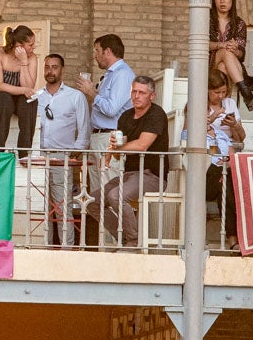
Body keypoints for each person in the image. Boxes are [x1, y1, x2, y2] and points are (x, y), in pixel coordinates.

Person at [83, 76, 168, 248]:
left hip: (152, 175)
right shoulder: (126, 116)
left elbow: (142, 145)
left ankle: (133, 241)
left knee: (116, 196)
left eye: (142, 93)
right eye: (134, 91)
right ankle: (125, 237)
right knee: (91, 201)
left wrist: (119, 148)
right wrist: (113, 150)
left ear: (152, 95)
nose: (136, 96)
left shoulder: (157, 114)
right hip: (130, 174)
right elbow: (119, 154)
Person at [182, 68, 245, 247]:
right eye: (216, 92)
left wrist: (234, 126)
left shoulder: (230, 105)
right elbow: (187, 135)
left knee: (228, 184)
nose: (221, 96)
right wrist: (212, 118)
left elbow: (241, 138)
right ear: (206, 90)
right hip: (204, 167)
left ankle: (234, 240)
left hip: (225, 164)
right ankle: (235, 239)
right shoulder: (195, 105)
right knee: (226, 182)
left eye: (224, 92)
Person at [35, 53, 90, 248]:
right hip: (39, 157)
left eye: (54, 67)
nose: (50, 71)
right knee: (40, 206)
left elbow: (84, 128)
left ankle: (66, 250)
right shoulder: (36, 96)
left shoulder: (75, 96)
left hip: (62, 157)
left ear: (62, 70)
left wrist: (74, 152)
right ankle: (43, 247)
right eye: (47, 67)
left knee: (62, 207)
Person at [73, 34, 134, 190]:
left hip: (110, 138)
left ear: (107, 51)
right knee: (96, 191)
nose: (95, 56)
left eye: (97, 50)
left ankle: (112, 215)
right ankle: (100, 216)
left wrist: (91, 93)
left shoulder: (123, 74)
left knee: (108, 187)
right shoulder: (110, 75)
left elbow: (111, 109)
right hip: (99, 137)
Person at [0, 25, 39, 157]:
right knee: (4, 99)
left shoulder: (31, 58)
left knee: (30, 102)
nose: (33, 48)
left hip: (17, 97)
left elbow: (29, 86)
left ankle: (25, 152)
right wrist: (24, 89)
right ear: (19, 45)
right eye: (30, 45)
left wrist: (24, 62)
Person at [209, 0, 253, 106]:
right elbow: (201, 43)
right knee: (225, 51)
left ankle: (224, 108)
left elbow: (241, 54)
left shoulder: (239, 23)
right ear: (214, 0)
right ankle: (245, 92)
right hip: (208, 65)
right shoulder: (206, 18)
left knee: (224, 66)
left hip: (232, 66)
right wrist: (221, 45)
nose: (222, 1)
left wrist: (235, 50)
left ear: (232, 0)